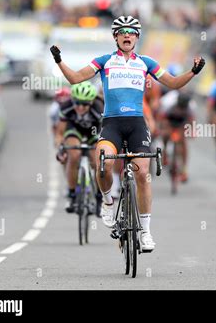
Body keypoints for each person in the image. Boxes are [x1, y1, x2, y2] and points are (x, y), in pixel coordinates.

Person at [50, 15, 205, 251]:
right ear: (115, 37)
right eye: (122, 32)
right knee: (102, 161)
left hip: (136, 124)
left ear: (136, 37)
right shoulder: (104, 61)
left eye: (131, 32)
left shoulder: (146, 63)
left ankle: (145, 232)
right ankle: (108, 200)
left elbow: (173, 83)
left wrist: (193, 72)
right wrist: (59, 60)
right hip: (111, 123)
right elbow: (75, 78)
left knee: (142, 173)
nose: (127, 35)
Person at [54, 81, 104, 213]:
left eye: (85, 104)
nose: (80, 107)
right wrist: (60, 148)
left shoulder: (99, 108)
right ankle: (72, 195)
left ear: (91, 102)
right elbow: (59, 133)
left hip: (94, 131)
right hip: (74, 130)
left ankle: (99, 197)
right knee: (74, 155)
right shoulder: (66, 106)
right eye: (77, 103)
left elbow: (106, 133)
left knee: (97, 161)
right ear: (72, 100)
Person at [158, 90, 196, 182]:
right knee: (165, 134)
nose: (182, 108)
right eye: (180, 106)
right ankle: (165, 153)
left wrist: (192, 132)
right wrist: (162, 129)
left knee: (183, 142)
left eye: (184, 107)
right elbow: (162, 120)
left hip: (182, 122)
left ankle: (184, 169)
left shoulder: (191, 107)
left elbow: (191, 122)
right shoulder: (168, 104)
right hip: (170, 120)